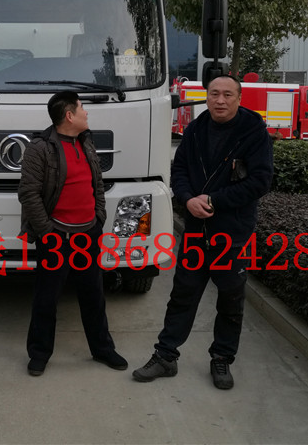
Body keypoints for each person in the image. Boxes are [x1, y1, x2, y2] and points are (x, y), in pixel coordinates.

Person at [132, 75, 273, 389]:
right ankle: (166, 356)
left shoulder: (253, 133)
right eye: (214, 94)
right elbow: (179, 170)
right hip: (197, 230)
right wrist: (186, 199)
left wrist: (213, 200)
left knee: (230, 297)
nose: (220, 100)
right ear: (206, 96)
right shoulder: (195, 129)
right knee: (183, 293)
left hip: (232, 233)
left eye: (227, 95)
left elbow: (260, 182)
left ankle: (222, 358)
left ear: (239, 98)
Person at [18, 91, 127, 377]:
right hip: (56, 237)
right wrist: (47, 233)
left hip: (87, 234)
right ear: (69, 116)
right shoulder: (40, 148)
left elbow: (97, 183)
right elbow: (28, 194)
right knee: (46, 298)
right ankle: (39, 353)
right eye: (81, 108)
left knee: (94, 295)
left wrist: (98, 217)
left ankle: (102, 349)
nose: (86, 113)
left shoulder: (85, 141)